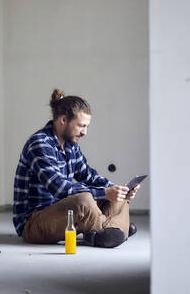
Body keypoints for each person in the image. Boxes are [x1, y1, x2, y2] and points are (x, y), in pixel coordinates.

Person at [12, 88, 140, 248]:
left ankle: (107, 232)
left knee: (118, 199)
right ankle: (116, 228)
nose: (85, 132)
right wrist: (105, 192)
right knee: (84, 200)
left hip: (64, 212)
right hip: (33, 222)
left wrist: (118, 189)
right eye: (81, 126)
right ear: (63, 120)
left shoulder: (70, 145)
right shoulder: (40, 144)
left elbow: (89, 176)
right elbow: (60, 189)